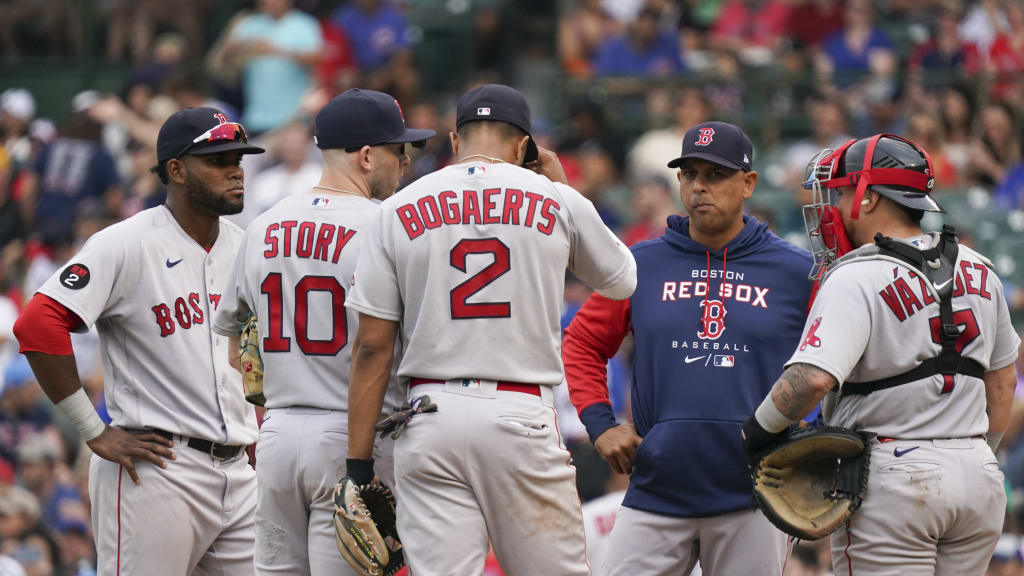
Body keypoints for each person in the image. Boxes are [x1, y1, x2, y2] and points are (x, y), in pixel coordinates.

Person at [344, 83, 637, 575]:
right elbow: (622, 279)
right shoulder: (554, 197)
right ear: (524, 146)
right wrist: (562, 189)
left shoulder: (398, 207)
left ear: (455, 141)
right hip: (519, 412)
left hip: (429, 416)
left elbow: (372, 347)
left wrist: (358, 466)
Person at [742, 134, 1020, 575]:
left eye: (842, 191)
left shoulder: (856, 275)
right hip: (979, 479)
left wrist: (757, 432)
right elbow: (1003, 382)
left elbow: (811, 380)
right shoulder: (979, 266)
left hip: (896, 478)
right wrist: (972, 452)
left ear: (869, 197)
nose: (833, 204)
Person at [12, 107, 266, 576]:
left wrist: (257, 425)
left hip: (239, 472)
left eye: (238, 159)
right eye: (218, 159)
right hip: (157, 468)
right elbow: (37, 323)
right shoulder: (126, 242)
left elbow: (248, 355)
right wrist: (92, 430)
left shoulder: (244, 244)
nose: (235, 170)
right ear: (176, 170)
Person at [562, 121, 813, 576]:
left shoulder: (796, 272)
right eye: (689, 174)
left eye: (715, 175)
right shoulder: (641, 262)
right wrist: (601, 424)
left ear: (749, 183)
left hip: (756, 494)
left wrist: (807, 434)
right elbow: (581, 342)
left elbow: (833, 362)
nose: (700, 186)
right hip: (658, 485)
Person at [212, 89, 433, 575]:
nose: (405, 163)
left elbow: (236, 350)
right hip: (353, 441)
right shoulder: (387, 226)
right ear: (368, 155)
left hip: (277, 439)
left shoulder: (264, 226)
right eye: (399, 151)